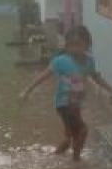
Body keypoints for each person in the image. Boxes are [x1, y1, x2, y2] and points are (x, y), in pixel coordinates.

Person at [19, 25, 100, 161]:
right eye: (71, 45)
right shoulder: (62, 61)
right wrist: (27, 91)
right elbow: (43, 76)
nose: (74, 49)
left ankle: (56, 159)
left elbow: (96, 77)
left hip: (76, 105)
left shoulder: (89, 62)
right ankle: (76, 162)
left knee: (70, 137)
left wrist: (109, 90)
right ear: (67, 46)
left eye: (78, 45)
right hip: (64, 104)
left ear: (87, 45)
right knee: (83, 130)